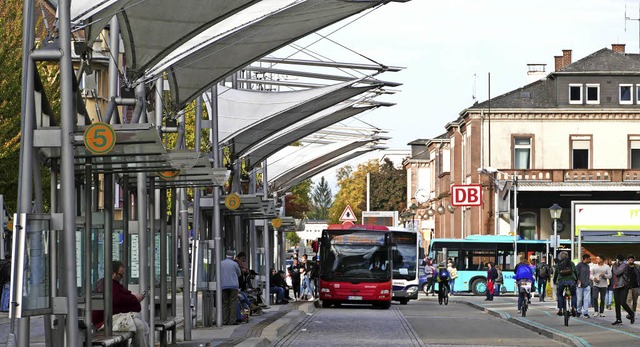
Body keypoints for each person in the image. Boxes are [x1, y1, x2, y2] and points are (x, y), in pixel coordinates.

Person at [92, 260, 149, 347]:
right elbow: (120, 301)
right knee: (140, 325)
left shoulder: (114, 285)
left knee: (142, 323)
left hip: (113, 318)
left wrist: (134, 300)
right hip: (104, 322)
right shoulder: (107, 285)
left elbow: (124, 300)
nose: (122, 277)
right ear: (113, 273)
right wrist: (135, 300)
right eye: (120, 274)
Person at [611, 253, 634, 325]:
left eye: (616, 259)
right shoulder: (615, 265)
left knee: (622, 302)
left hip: (623, 285)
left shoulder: (624, 265)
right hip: (616, 285)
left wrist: (614, 265)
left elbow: (616, 272)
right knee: (617, 303)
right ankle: (618, 319)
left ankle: (631, 313)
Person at [553, 251, 577, 317]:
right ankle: (573, 307)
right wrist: (577, 279)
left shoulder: (558, 264)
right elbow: (575, 272)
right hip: (571, 281)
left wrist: (554, 281)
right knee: (573, 294)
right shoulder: (571, 263)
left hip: (561, 281)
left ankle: (560, 309)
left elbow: (556, 274)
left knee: (560, 295)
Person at [221, 250, 241, 325]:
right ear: (233, 256)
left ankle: (224, 320)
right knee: (233, 303)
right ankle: (232, 320)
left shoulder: (221, 263)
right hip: (233, 286)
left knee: (224, 303)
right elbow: (239, 274)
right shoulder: (234, 264)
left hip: (223, 286)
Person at [575, 253, 592, 318]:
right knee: (579, 299)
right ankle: (578, 311)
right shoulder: (579, 265)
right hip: (580, 285)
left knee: (586, 299)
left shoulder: (588, 266)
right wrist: (578, 280)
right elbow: (576, 273)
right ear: (585, 259)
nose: (589, 260)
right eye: (588, 259)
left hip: (587, 284)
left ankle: (586, 312)